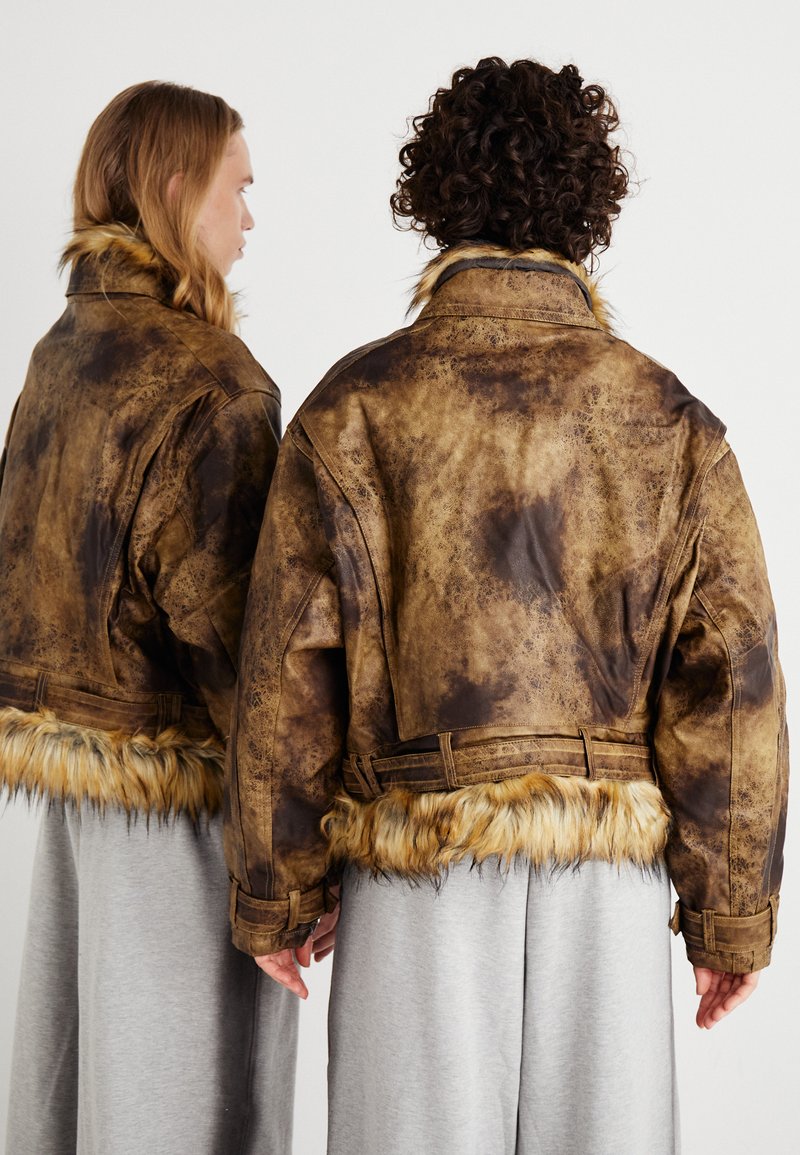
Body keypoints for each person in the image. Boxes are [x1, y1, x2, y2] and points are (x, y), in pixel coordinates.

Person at [224, 58, 788, 1154]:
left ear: (435, 198)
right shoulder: (668, 419)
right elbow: (734, 679)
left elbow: (284, 672)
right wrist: (727, 916)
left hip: (414, 871)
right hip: (604, 885)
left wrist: (279, 894)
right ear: (589, 206)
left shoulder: (353, 409)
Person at [1, 82, 295, 1154]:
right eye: (237, 188)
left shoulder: (60, 352)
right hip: (181, 813)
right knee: (186, 1112)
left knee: (79, 1098)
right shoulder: (213, 382)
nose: (250, 218)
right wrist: (286, 863)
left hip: (77, 798)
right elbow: (244, 653)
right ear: (176, 190)